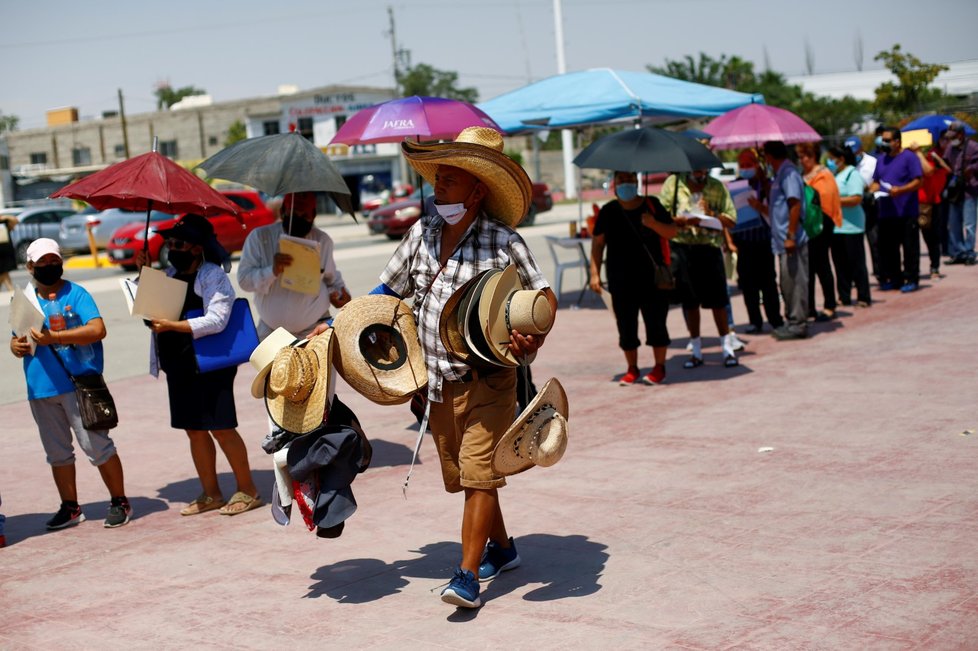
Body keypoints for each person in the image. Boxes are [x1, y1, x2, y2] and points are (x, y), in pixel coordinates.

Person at [376, 127, 557, 609]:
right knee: (464, 477)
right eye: (437, 177)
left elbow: (542, 297)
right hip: (436, 384)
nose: (438, 186)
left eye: (450, 179)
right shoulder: (421, 233)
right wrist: (343, 325)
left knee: (477, 475)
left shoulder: (503, 241)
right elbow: (386, 294)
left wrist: (531, 333)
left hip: (490, 381)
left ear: (477, 190)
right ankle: (503, 548)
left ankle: (467, 576)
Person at [137, 215, 261, 517]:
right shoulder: (169, 274)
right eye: (169, 243)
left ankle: (248, 490)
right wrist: (144, 276)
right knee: (193, 430)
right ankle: (211, 493)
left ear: (196, 247)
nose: (171, 248)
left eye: (178, 243)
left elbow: (216, 320)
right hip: (179, 365)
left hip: (209, 365)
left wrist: (173, 325)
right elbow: (153, 315)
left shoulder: (212, 276)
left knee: (221, 428)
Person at [9, 238, 131, 529]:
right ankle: (70, 507)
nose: (50, 266)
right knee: (57, 452)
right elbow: (19, 338)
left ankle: (119, 501)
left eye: (54, 260)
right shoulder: (23, 299)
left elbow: (98, 329)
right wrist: (16, 347)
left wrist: (57, 338)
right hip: (40, 387)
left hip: (78, 385)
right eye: (43, 263)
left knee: (97, 445)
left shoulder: (77, 294)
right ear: (30, 267)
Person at [589, 170, 678, 386]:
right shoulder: (608, 211)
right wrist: (594, 274)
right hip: (620, 280)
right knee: (626, 326)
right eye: (622, 179)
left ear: (637, 181)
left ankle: (659, 367)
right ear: (614, 183)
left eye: (631, 179)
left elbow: (672, 232)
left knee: (656, 323)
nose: (627, 183)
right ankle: (632, 368)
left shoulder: (652, 204)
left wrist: (653, 223)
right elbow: (598, 243)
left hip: (653, 280)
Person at [237, 191, 351, 341]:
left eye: (305, 216)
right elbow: (244, 281)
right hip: (272, 332)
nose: (299, 219)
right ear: (283, 212)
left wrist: (340, 295)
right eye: (294, 214)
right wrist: (272, 271)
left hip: (312, 330)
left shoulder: (323, 241)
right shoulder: (259, 237)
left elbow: (331, 279)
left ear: (314, 215)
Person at [659, 168, 739, 367]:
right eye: (695, 166)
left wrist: (710, 215)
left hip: (709, 248)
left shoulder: (716, 187)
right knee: (690, 302)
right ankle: (696, 351)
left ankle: (727, 349)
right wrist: (681, 221)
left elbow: (731, 219)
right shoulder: (673, 183)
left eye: (703, 167)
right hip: (683, 248)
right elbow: (662, 215)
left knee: (718, 301)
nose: (699, 170)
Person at [756, 141, 809, 340]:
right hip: (781, 240)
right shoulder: (779, 175)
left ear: (770, 155)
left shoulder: (789, 173)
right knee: (787, 282)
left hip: (791, 240)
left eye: (764, 155)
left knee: (795, 282)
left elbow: (794, 204)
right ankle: (793, 320)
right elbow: (776, 203)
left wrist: (791, 235)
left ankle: (798, 324)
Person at [734, 150, 784, 333]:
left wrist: (759, 206)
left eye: (749, 164)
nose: (746, 168)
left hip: (763, 240)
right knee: (748, 285)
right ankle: (755, 320)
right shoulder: (735, 186)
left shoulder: (767, 185)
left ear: (757, 164)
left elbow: (776, 211)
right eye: (742, 165)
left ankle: (775, 319)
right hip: (744, 241)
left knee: (768, 282)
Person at [870, 127, 924, 293]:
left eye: (887, 140)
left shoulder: (909, 158)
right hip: (886, 212)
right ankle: (895, 278)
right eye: (882, 140)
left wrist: (900, 190)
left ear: (897, 142)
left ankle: (912, 278)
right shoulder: (881, 160)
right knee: (888, 248)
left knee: (909, 247)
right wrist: (873, 189)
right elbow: (876, 181)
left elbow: (918, 181)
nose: (883, 143)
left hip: (906, 211)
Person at [796, 142, 842, 321]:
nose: (802, 160)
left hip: (822, 224)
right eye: (800, 157)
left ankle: (830, 305)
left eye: (805, 156)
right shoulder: (803, 175)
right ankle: (809, 307)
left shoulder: (823, 174)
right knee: (808, 268)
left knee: (822, 265)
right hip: (806, 225)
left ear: (813, 155)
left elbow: (826, 199)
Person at [826, 146, 872, 307]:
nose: (829, 162)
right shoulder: (834, 175)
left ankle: (863, 296)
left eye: (832, 158)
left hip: (852, 226)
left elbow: (856, 198)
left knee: (856, 263)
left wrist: (835, 201)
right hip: (837, 226)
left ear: (841, 159)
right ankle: (844, 295)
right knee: (840, 264)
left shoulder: (852, 174)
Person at [910, 132, 951, 278]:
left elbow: (929, 171)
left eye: (948, 139)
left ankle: (935, 267)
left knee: (932, 236)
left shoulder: (939, 156)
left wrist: (920, 154)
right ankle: (912, 269)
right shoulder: (919, 156)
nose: (946, 141)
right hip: (917, 201)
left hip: (933, 202)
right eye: (943, 138)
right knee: (913, 237)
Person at [844, 136, 880, 281]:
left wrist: (865, 189)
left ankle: (879, 271)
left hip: (869, 204)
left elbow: (877, 182)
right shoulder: (845, 164)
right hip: (852, 207)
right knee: (853, 244)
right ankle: (854, 275)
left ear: (861, 149)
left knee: (875, 240)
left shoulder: (871, 162)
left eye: (854, 151)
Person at [942, 121, 978, 266]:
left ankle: (969, 252)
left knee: (969, 224)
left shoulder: (974, 147)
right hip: (955, 190)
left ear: (961, 134)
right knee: (954, 223)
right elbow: (947, 163)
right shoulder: (950, 148)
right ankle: (958, 252)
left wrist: (972, 169)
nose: (951, 139)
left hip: (970, 190)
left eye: (954, 136)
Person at [0, 213, 17, 291]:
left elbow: (16, 221)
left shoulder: (4, 221)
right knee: (3, 272)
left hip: (5, 250)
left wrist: (5, 217)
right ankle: (11, 290)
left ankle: (11, 290)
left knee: (3, 272)